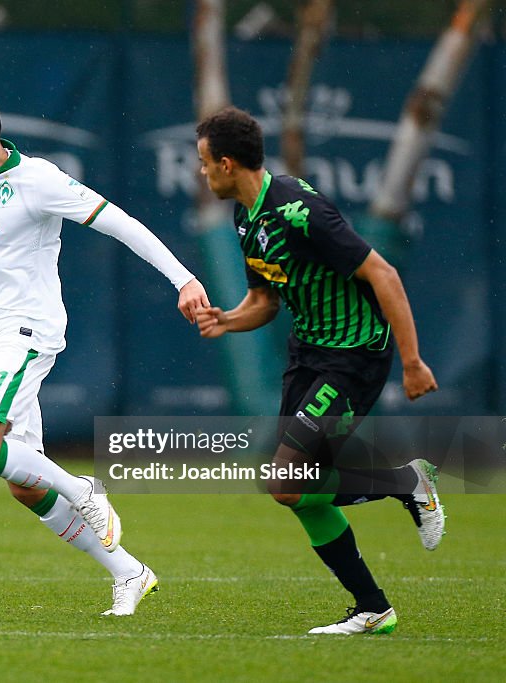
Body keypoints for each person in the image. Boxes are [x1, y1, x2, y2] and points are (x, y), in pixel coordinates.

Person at [0, 88, 211, 616]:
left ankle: (82, 487)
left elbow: (120, 223)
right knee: (25, 487)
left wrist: (184, 279)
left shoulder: (38, 180)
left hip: (26, 331)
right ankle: (130, 572)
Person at [193, 106, 445, 635]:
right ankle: (374, 608)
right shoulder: (246, 217)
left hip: (352, 355)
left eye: (204, 163)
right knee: (293, 491)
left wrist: (413, 361)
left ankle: (407, 483)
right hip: (308, 356)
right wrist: (226, 320)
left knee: (284, 481)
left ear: (228, 163)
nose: (201, 172)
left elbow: (384, 273)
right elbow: (264, 302)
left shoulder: (298, 210)